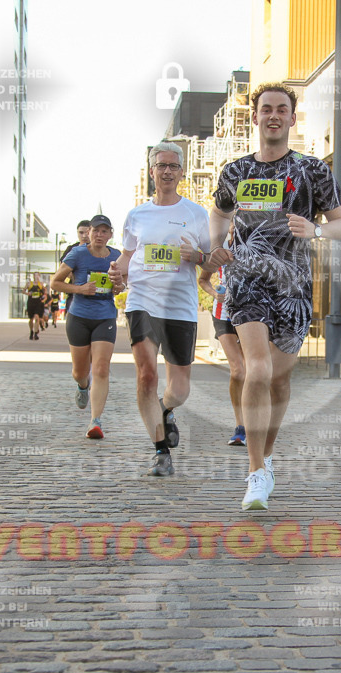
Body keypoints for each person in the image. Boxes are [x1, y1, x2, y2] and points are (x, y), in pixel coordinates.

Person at [192, 83, 341, 511]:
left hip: (293, 286)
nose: (274, 115)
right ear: (256, 117)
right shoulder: (234, 171)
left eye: (282, 109)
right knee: (256, 368)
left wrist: (315, 229)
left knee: (279, 378)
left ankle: (268, 457)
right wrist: (216, 244)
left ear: (292, 118)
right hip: (245, 280)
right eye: (266, 109)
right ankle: (255, 471)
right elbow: (221, 210)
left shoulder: (313, 171)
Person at [107, 141, 210, 476]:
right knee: (147, 375)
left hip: (180, 307)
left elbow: (212, 259)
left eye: (173, 166)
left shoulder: (196, 214)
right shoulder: (136, 215)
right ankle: (160, 450)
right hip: (142, 302)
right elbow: (126, 255)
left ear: (181, 172)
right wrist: (117, 272)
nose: (167, 171)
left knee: (179, 389)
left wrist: (196, 257)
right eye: (161, 165)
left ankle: (165, 409)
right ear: (151, 171)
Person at [51, 216, 122, 439]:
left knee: (101, 368)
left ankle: (95, 421)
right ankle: (83, 386)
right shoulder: (78, 254)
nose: (99, 235)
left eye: (104, 231)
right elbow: (55, 282)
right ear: (88, 233)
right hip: (79, 317)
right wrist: (80, 289)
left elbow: (123, 283)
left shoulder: (117, 257)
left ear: (110, 234)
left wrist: (119, 286)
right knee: (80, 372)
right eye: (95, 231)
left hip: (105, 317)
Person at [198, 237, 246, 447]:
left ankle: (257, 419)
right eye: (232, 220)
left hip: (253, 313)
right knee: (238, 371)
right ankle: (240, 426)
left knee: (254, 371)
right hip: (224, 314)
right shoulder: (220, 248)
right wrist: (214, 294)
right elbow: (203, 280)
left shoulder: (260, 242)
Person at [24, 275, 47, 340]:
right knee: (31, 319)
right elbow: (23, 291)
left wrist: (44, 299)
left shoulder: (41, 284)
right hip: (31, 303)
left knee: (37, 317)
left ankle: (35, 333)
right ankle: (31, 331)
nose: (36, 277)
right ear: (33, 276)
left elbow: (45, 293)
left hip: (38, 303)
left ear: (39, 276)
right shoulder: (29, 284)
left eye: (37, 275)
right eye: (35, 275)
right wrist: (27, 293)